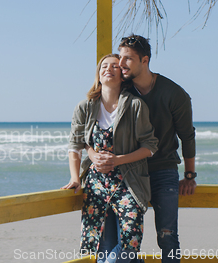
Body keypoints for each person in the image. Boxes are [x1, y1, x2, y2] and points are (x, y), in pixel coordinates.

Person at [89, 35, 197, 263]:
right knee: (125, 241)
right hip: (128, 173)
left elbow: (187, 136)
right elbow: (97, 121)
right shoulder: (122, 89)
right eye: (120, 58)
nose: (121, 64)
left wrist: (189, 175)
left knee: (168, 237)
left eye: (128, 59)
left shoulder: (174, 94)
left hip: (163, 171)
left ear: (145, 60)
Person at [62, 54, 158, 263]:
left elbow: (150, 146)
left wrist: (118, 160)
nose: (108, 69)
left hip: (129, 182)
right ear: (98, 74)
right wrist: (75, 177)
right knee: (100, 246)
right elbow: (75, 144)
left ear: (123, 75)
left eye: (115, 66)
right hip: (96, 185)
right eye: (104, 66)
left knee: (129, 242)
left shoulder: (135, 106)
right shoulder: (85, 107)